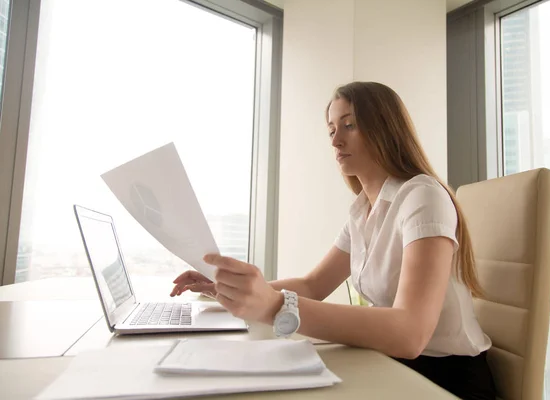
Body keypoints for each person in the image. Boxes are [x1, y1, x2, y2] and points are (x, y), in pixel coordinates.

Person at [170, 82, 496, 400]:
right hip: (394, 365)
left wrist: (274, 306)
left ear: (385, 128)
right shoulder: (363, 212)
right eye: (331, 131)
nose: (335, 141)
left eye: (349, 125)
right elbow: (313, 284)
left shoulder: (421, 196)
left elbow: (410, 333)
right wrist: (227, 288)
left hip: (447, 379)